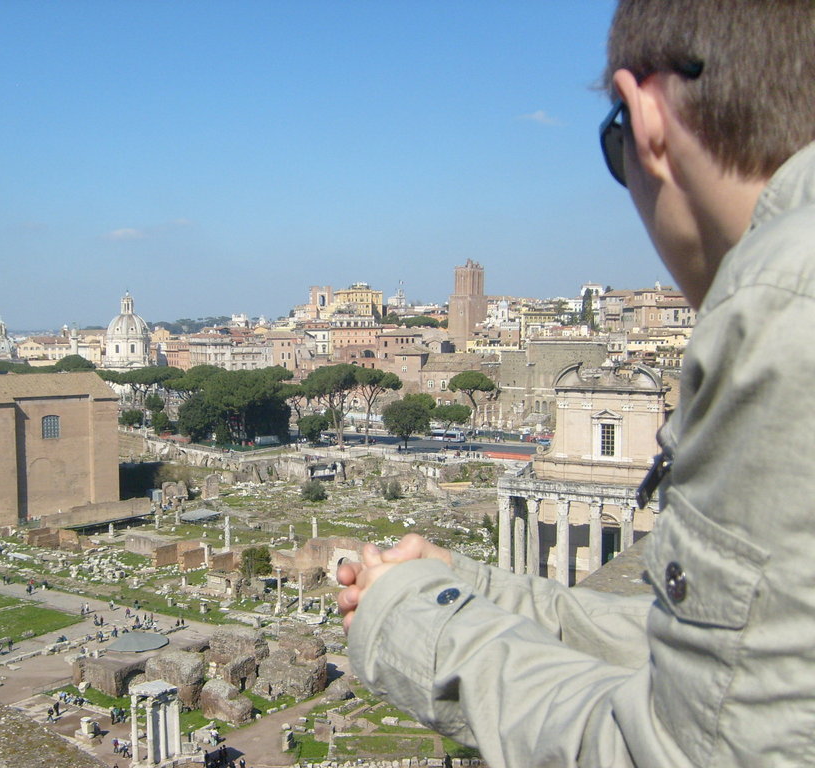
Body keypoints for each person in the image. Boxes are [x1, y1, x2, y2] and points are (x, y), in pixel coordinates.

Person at [338, 2, 815, 766]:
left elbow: (682, 752)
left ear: (646, 116)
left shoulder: (780, 310)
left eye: (613, 149)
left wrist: (406, 621)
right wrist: (475, 591)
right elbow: (734, 669)